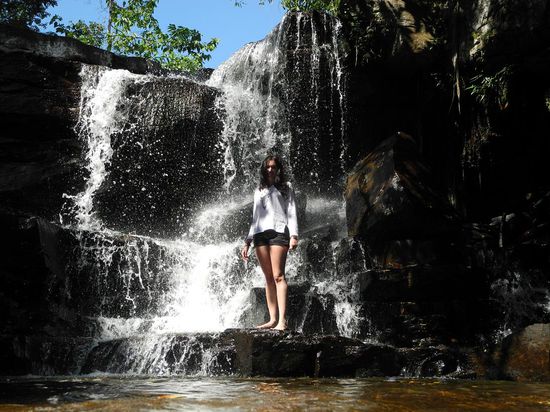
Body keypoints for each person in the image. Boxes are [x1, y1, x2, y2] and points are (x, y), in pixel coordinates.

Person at [241, 155, 299, 331]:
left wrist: (294, 235)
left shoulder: (286, 187)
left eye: (273, 167)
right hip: (260, 235)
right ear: (263, 169)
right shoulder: (259, 190)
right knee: (268, 278)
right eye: (267, 167)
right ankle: (272, 319)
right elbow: (255, 218)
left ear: (278, 169)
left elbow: (292, 211)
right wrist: (247, 241)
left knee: (278, 276)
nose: (270, 170)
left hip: (279, 232)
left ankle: (282, 320)